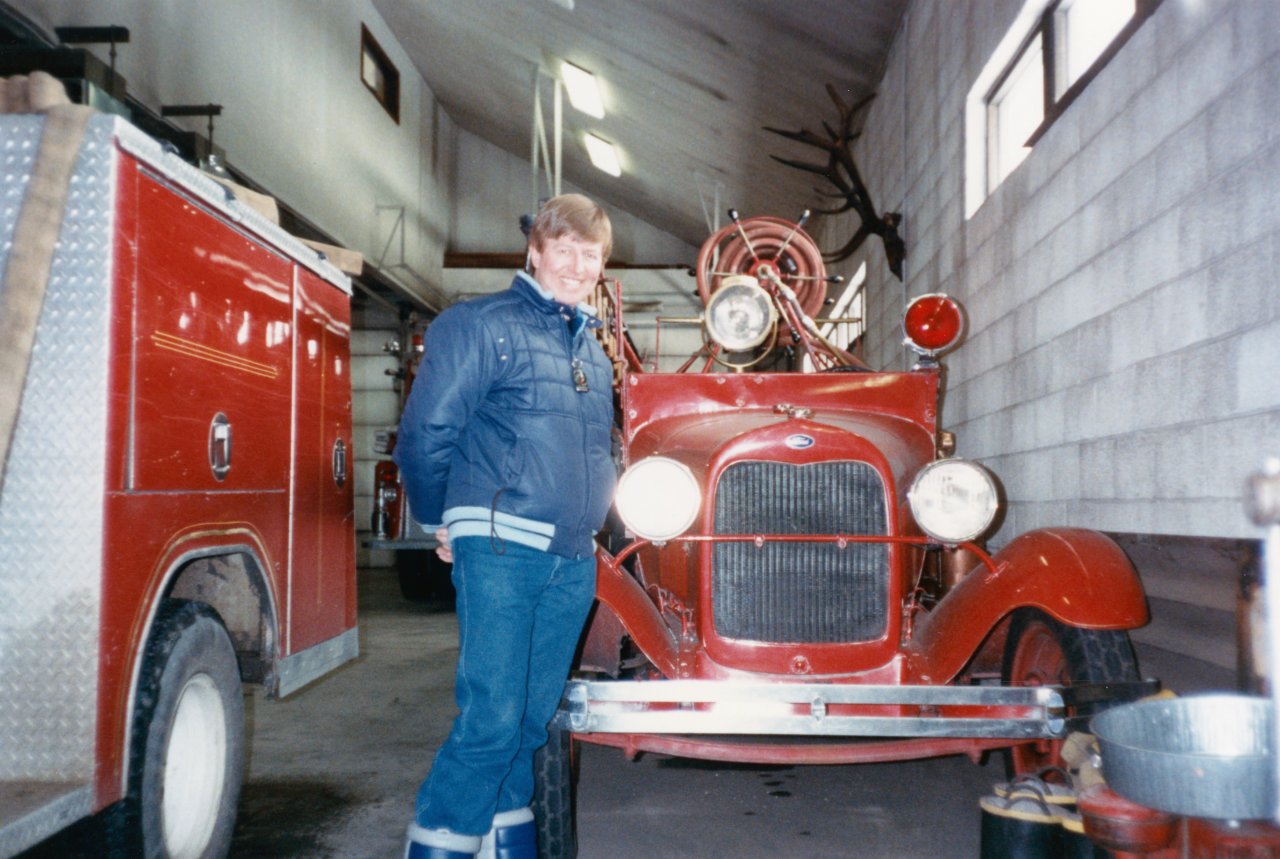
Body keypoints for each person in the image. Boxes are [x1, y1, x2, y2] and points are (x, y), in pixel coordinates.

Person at [394, 194, 617, 859]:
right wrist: (441, 518)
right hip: (502, 543)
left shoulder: (593, 351)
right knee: (491, 718)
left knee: (527, 721)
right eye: (566, 248)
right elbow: (425, 432)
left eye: (592, 254)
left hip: (573, 556)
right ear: (535, 249)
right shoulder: (480, 324)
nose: (578, 265)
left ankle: (503, 842)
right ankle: (438, 841)